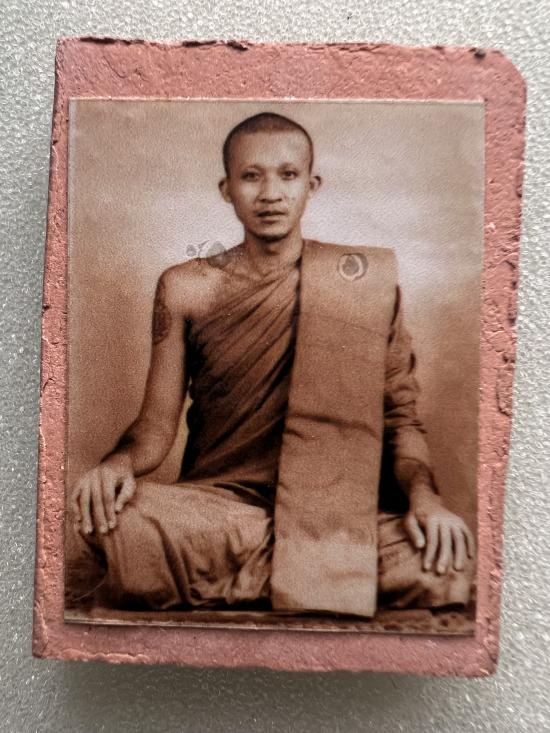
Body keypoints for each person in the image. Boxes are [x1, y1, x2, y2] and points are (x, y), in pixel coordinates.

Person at [69, 112, 475, 615]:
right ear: (226, 189)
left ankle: (253, 574)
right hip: (220, 510)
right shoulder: (187, 288)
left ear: (311, 185)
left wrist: (426, 500)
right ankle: (321, 576)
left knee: (449, 559)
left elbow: (401, 420)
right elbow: (154, 429)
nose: (270, 194)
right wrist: (115, 466)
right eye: (251, 176)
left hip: (332, 515)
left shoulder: (364, 285)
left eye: (288, 175)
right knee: (121, 514)